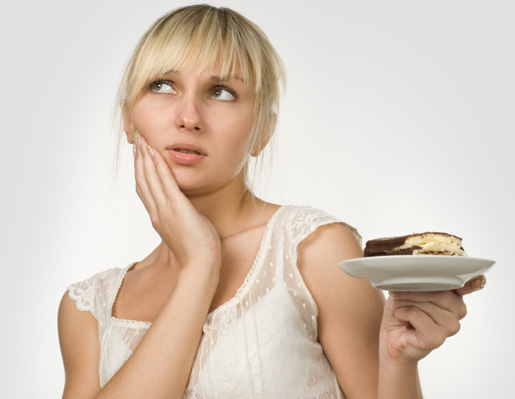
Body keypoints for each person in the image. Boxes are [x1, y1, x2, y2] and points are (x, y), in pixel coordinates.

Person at [57, 4, 485, 399]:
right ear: (129, 119)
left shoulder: (315, 253)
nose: (188, 117)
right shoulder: (88, 309)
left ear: (263, 131)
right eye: (163, 85)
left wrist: (398, 359)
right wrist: (200, 262)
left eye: (221, 91)